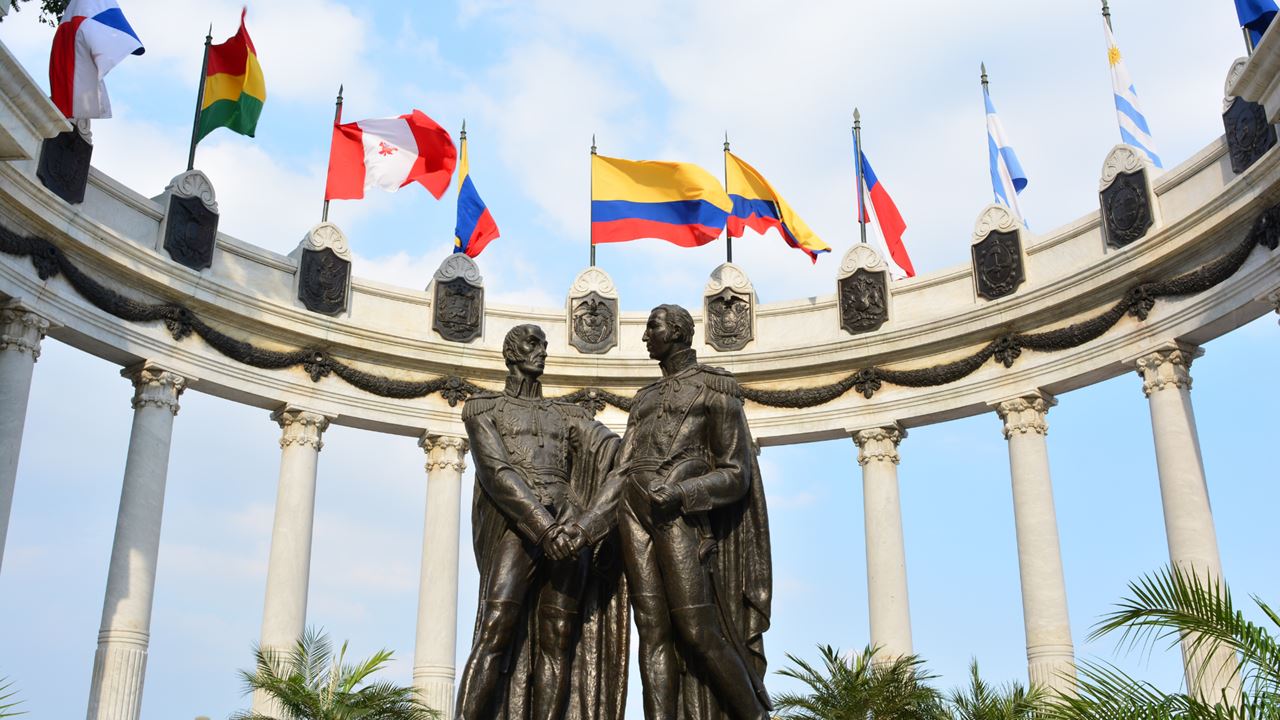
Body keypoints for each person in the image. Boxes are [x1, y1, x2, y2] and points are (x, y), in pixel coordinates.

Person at [455, 324, 628, 720]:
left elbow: (616, 451)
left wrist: (583, 524)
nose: (543, 352)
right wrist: (543, 528)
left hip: (567, 523)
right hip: (521, 527)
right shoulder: (483, 409)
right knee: (495, 626)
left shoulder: (567, 414)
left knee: (559, 636)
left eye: (545, 345)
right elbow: (497, 473)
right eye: (533, 344)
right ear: (510, 352)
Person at [609, 303, 773, 720]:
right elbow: (621, 469)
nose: (646, 336)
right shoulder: (643, 399)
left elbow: (737, 474)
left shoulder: (715, 389)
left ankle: (755, 716)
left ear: (679, 331)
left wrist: (683, 493)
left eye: (652, 327)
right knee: (651, 633)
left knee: (698, 631)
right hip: (634, 509)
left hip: (679, 514)